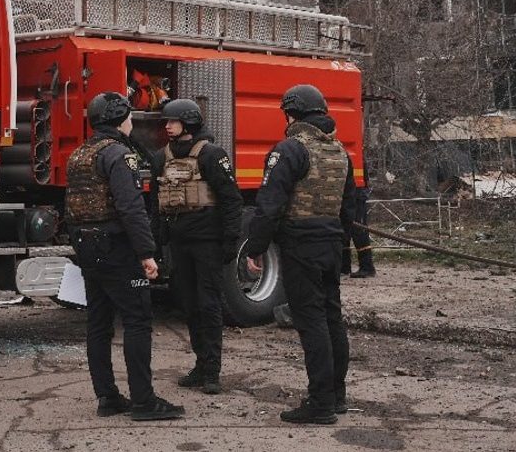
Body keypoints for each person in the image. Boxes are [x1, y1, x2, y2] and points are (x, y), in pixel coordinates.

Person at [65, 91, 185, 422]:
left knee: (99, 323)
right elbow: (131, 208)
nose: (132, 121)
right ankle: (144, 401)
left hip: (86, 246)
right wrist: (147, 254)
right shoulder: (119, 155)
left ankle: (107, 397)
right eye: (129, 116)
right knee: (136, 319)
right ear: (119, 119)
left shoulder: (80, 154)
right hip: (115, 246)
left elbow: (72, 206)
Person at [244, 84, 357, 425]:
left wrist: (256, 247)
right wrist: (344, 246)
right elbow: (348, 207)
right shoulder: (339, 151)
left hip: (300, 246)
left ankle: (320, 403)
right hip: (330, 244)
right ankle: (336, 396)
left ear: (291, 114)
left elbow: (270, 206)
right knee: (331, 318)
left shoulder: (290, 150)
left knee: (311, 323)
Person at [152, 98, 243, 395]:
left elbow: (231, 199)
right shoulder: (160, 157)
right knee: (189, 304)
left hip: (207, 243)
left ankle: (212, 371)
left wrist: (231, 240)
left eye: (172, 121)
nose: (167, 126)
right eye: (166, 121)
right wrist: (156, 242)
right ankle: (200, 364)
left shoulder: (212, 155)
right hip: (179, 243)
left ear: (188, 122)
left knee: (209, 304)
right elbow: (156, 203)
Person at [340, 170, 376, 278]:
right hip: (349, 191)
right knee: (343, 229)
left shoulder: (354, 153)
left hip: (356, 192)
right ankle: (343, 266)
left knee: (359, 231)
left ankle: (367, 266)